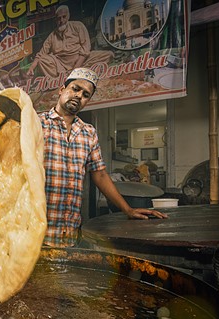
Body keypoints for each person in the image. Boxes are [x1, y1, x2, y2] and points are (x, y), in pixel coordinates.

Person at [39, 67, 167, 247]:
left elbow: (99, 174)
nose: (78, 96)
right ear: (62, 90)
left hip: (70, 232)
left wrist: (127, 210)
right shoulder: (36, 123)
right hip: (35, 232)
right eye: (75, 89)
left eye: (85, 94)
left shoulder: (88, 132)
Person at [26, 5, 114, 78]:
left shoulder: (78, 26)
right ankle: (66, 75)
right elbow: (41, 54)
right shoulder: (52, 35)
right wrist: (31, 68)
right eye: (59, 18)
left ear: (68, 16)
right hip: (60, 67)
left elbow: (86, 48)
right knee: (42, 60)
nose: (61, 21)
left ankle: (76, 72)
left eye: (64, 17)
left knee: (108, 55)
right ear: (56, 20)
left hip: (81, 61)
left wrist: (75, 68)